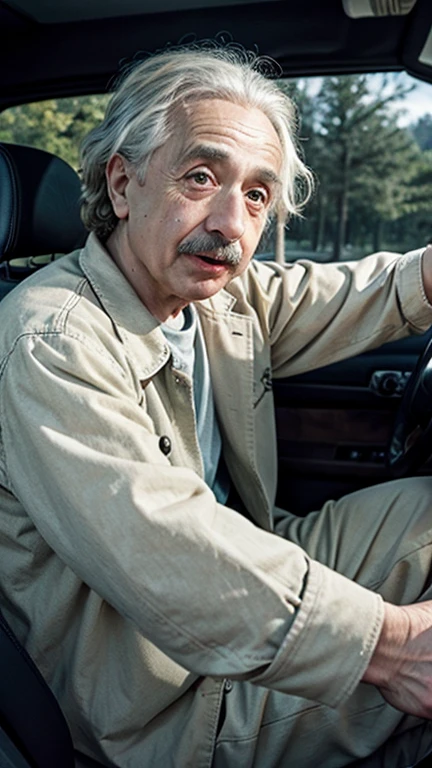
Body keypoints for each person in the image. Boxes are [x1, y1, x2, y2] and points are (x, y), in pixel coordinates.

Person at [1, 45, 432, 768]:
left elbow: (362, 293)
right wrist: (389, 646)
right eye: (201, 178)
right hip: (154, 698)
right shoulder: (51, 338)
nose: (232, 222)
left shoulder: (218, 301)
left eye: (258, 194)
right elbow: (165, 550)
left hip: (237, 594)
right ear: (122, 184)